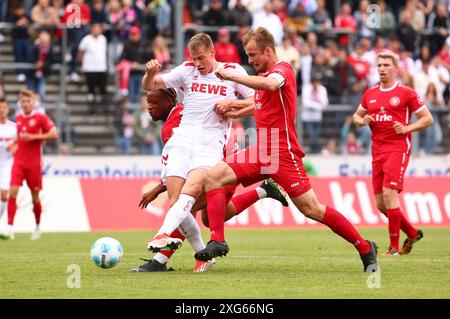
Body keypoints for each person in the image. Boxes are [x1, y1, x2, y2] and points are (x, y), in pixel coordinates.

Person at [192, 27, 378, 273]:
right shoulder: (266, 74)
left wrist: (231, 76)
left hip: (283, 153)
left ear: (268, 51)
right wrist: (237, 106)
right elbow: (260, 102)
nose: (250, 60)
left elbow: (269, 86)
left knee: (312, 209)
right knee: (214, 177)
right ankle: (218, 240)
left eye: (253, 55)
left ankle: (365, 247)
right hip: (263, 148)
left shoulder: (283, 70)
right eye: (247, 56)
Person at [130, 88, 288, 272]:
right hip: (222, 163)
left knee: (187, 205)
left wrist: (159, 188)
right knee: (209, 214)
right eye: (148, 103)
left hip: (222, 166)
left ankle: (160, 261)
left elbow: (182, 164)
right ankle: (264, 190)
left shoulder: (175, 124)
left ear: (169, 101)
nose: (149, 108)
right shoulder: (182, 115)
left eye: (154, 103)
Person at [139, 33, 255, 266]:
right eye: (194, 59)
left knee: (189, 193)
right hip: (182, 139)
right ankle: (203, 255)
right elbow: (149, 86)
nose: (198, 64)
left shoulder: (232, 71)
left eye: (201, 58)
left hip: (210, 143)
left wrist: (232, 104)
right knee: (176, 202)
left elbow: (256, 102)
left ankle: (162, 235)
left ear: (213, 53)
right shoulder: (186, 70)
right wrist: (150, 72)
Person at [352, 50, 433, 256]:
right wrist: (362, 121)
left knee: (389, 193)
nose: (381, 69)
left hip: (397, 148)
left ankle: (394, 248)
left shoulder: (406, 93)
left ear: (396, 69)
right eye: (379, 65)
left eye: (386, 65)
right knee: (380, 204)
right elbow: (356, 116)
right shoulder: (370, 93)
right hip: (377, 150)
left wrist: (407, 128)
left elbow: (427, 118)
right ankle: (413, 233)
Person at [3, 89, 59, 240]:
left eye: (28, 101)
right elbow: (21, 137)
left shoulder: (41, 118)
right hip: (19, 162)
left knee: (35, 197)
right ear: (20, 103)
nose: (26, 104)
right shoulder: (19, 118)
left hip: (34, 164)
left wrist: (34, 137)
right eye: (23, 101)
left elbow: (54, 134)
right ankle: (9, 228)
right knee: (12, 192)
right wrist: (14, 143)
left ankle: (37, 226)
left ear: (34, 102)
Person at [0, 98, 16, 232]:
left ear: (7, 109)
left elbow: (21, 145)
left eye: (4, 107)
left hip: (7, 164)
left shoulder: (14, 128)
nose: (1, 110)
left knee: (4, 195)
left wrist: (15, 148)